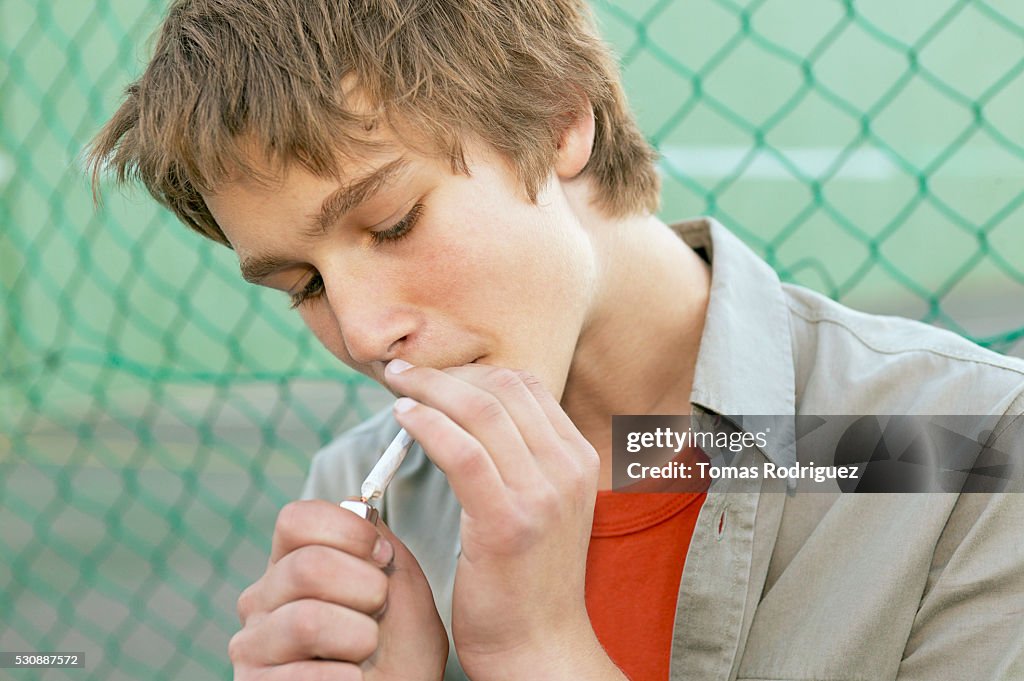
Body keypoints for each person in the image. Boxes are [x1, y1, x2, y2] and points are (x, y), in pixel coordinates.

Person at [87, 1, 1024, 680]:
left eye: (394, 221)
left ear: (558, 117)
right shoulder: (361, 501)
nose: (367, 333)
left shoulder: (962, 448)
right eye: (307, 286)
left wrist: (537, 651)